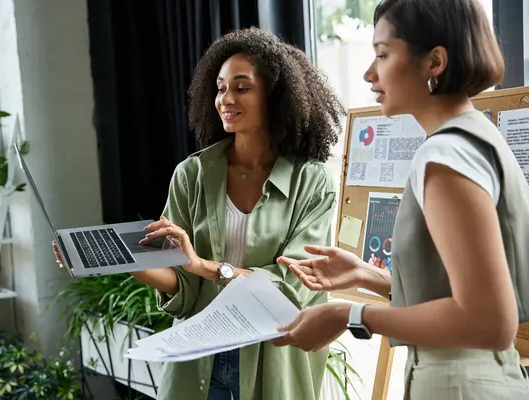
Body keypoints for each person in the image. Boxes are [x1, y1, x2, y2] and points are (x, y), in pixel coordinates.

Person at [54, 27, 345, 400]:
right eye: (221, 88)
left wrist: (204, 266)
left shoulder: (311, 182)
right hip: (203, 361)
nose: (225, 98)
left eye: (241, 87)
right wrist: (113, 257)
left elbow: (292, 289)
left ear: (275, 95)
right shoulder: (191, 174)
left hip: (273, 364)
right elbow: (184, 286)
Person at [271, 1, 529, 399]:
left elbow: (489, 320)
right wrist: (366, 276)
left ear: (435, 62)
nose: (368, 73)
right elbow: (460, 294)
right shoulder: (476, 135)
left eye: (382, 54)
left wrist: (349, 313)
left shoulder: (444, 157)